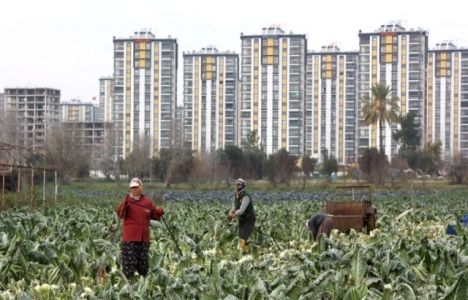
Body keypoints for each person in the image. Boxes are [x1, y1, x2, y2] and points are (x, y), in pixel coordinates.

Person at [116, 178, 164, 279]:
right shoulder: (127, 201)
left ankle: (142, 283)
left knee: (143, 262)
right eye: (132, 187)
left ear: (141, 188)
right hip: (130, 238)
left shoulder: (147, 202)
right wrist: (125, 201)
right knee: (129, 262)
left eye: (136, 187)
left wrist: (159, 212)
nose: (134, 189)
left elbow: (154, 215)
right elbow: (120, 213)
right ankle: (129, 283)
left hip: (144, 238)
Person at [228, 178, 256, 254]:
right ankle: (245, 252)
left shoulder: (246, 197)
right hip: (242, 219)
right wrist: (230, 213)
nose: (238, 186)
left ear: (243, 186)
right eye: (237, 184)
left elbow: (242, 210)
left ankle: (242, 253)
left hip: (249, 219)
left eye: (239, 184)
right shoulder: (236, 195)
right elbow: (234, 206)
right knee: (240, 236)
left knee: (243, 236)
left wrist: (234, 214)